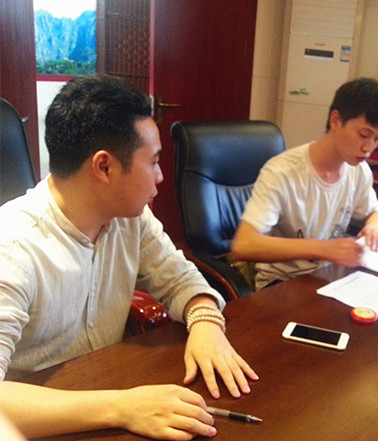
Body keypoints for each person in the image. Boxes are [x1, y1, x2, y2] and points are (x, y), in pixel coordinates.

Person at [0, 75, 259, 440]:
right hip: (38, 425)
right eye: (153, 162)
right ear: (104, 167)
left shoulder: (130, 218)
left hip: (107, 394)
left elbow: (180, 278)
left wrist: (205, 323)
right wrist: (122, 407)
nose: (161, 177)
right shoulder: (12, 248)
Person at [232, 78, 378, 291]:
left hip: (328, 277)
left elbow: (375, 213)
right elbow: (243, 245)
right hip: (282, 283)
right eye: (364, 135)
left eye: (377, 139)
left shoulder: (359, 171)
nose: (368, 148)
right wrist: (325, 249)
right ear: (335, 120)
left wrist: (372, 228)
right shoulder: (282, 172)